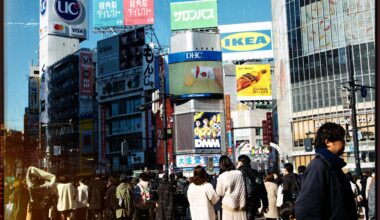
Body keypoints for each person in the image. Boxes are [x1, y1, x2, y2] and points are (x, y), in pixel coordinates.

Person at [294, 122, 357, 219]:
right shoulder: (318, 167)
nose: (344, 142)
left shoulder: (332, 166)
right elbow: (306, 209)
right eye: (340, 139)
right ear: (327, 142)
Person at [237, 154, 268, 219]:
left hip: (241, 202)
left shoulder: (238, 173)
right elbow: (262, 189)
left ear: (241, 162)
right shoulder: (255, 172)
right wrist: (265, 204)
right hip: (254, 202)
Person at [216, 155, 247, 219]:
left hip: (228, 207)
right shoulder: (239, 173)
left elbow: (219, 192)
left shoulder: (222, 176)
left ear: (221, 165)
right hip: (241, 206)